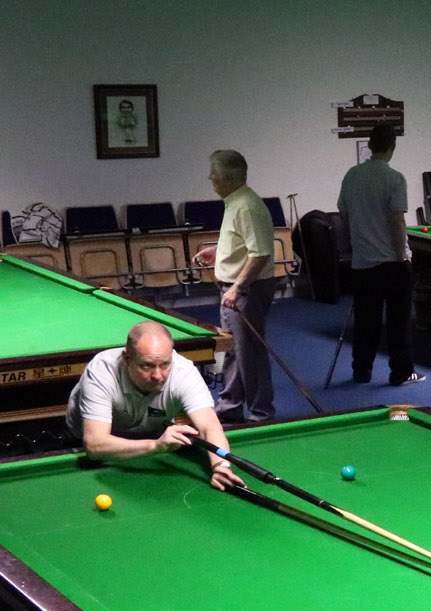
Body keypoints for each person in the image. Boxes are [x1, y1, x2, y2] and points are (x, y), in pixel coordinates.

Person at [66, 321, 246, 491]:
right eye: (147, 366)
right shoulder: (102, 371)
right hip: (89, 447)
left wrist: (221, 465)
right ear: (127, 358)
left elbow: (210, 426)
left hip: (151, 439)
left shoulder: (183, 372)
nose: (158, 376)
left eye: (165, 364)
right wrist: (155, 446)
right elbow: (95, 445)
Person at [193, 149, 276, 422]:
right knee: (232, 349)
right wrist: (218, 252)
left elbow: (260, 253)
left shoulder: (247, 206)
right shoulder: (236, 202)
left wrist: (238, 287)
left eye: (214, 173)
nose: (210, 177)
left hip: (246, 291)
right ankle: (230, 406)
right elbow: (243, 243)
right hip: (236, 288)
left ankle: (262, 413)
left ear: (229, 177)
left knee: (249, 351)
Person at [337, 123, 421, 386]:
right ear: (392, 147)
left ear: (370, 146)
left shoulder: (352, 175)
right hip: (392, 262)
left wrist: (359, 241)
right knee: (399, 321)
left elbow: (344, 214)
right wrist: (401, 256)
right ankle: (401, 373)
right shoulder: (395, 178)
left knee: (365, 321)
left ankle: (361, 372)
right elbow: (397, 220)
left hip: (363, 262)